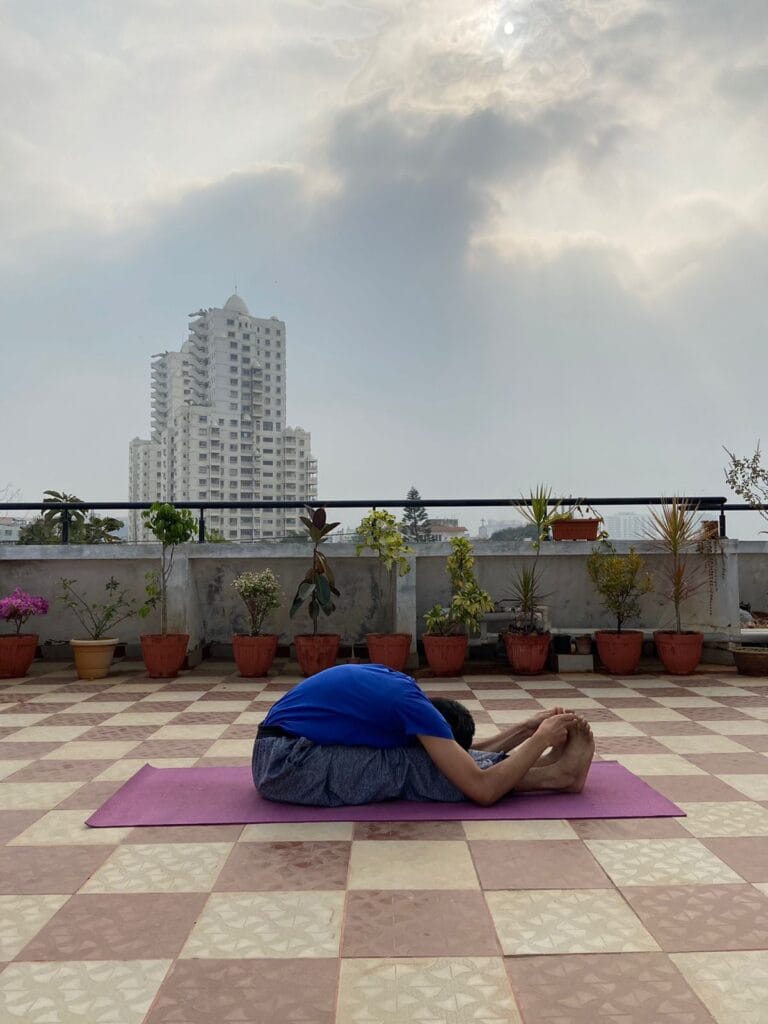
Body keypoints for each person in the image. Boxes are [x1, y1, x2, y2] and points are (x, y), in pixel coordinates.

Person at [252, 662, 594, 807]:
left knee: (426, 760)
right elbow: (481, 789)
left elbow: (454, 754)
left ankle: (549, 773)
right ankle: (555, 777)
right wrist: (540, 741)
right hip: (286, 765)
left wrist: (524, 729)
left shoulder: (402, 691)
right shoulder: (410, 708)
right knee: (412, 766)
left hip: (281, 754)